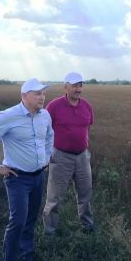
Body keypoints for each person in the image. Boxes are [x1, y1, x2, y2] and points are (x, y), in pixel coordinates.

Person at [0, 78, 53, 261]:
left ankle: (26, 257)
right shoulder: (7, 116)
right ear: (24, 96)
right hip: (17, 178)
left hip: (39, 176)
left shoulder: (45, 116)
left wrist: (46, 158)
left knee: (30, 219)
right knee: (18, 220)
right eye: (37, 93)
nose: (42, 97)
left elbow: (49, 137)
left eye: (43, 93)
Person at [42, 72, 95, 235]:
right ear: (65, 87)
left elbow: (88, 127)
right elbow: (43, 130)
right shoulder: (54, 106)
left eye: (80, 85)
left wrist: (83, 147)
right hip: (60, 157)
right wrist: (47, 154)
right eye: (74, 86)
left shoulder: (86, 106)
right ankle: (50, 232)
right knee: (54, 198)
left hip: (82, 157)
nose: (78, 89)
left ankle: (87, 227)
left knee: (85, 195)